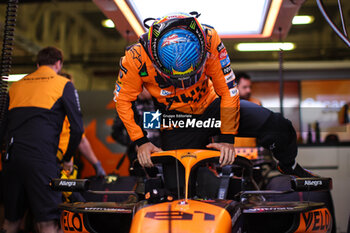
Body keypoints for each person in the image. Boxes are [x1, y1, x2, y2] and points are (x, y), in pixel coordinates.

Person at [114, 13, 316, 195]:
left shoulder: (210, 38)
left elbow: (228, 90)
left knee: (280, 128)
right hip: (178, 120)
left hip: (213, 106)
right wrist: (141, 142)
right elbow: (123, 100)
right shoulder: (135, 57)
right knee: (177, 192)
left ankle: (288, 165)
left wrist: (227, 138)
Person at [0, 47, 84, 233]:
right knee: (47, 223)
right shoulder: (63, 84)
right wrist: (67, 158)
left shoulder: (16, 86)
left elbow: (2, 127)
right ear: (58, 64)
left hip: (12, 160)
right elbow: (77, 129)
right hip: (41, 160)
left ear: (37, 65)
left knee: (10, 221)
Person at [58, 72, 106, 177]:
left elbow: (81, 140)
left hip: (66, 165)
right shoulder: (53, 114)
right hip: (53, 162)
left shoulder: (69, 114)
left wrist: (96, 164)